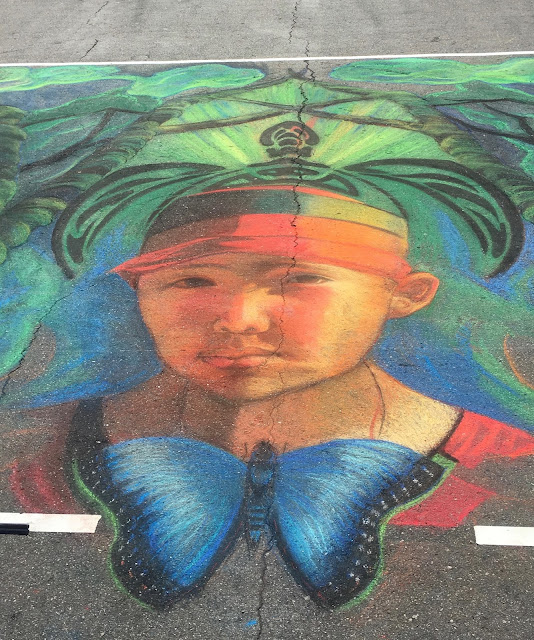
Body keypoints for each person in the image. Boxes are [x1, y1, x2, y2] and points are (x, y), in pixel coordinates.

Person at [10, 175, 534, 609]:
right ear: (139, 290)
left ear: (405, 294)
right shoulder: (25, 448)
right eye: (193, 281)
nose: (240, 320)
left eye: (299, 279)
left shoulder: (510, 467)